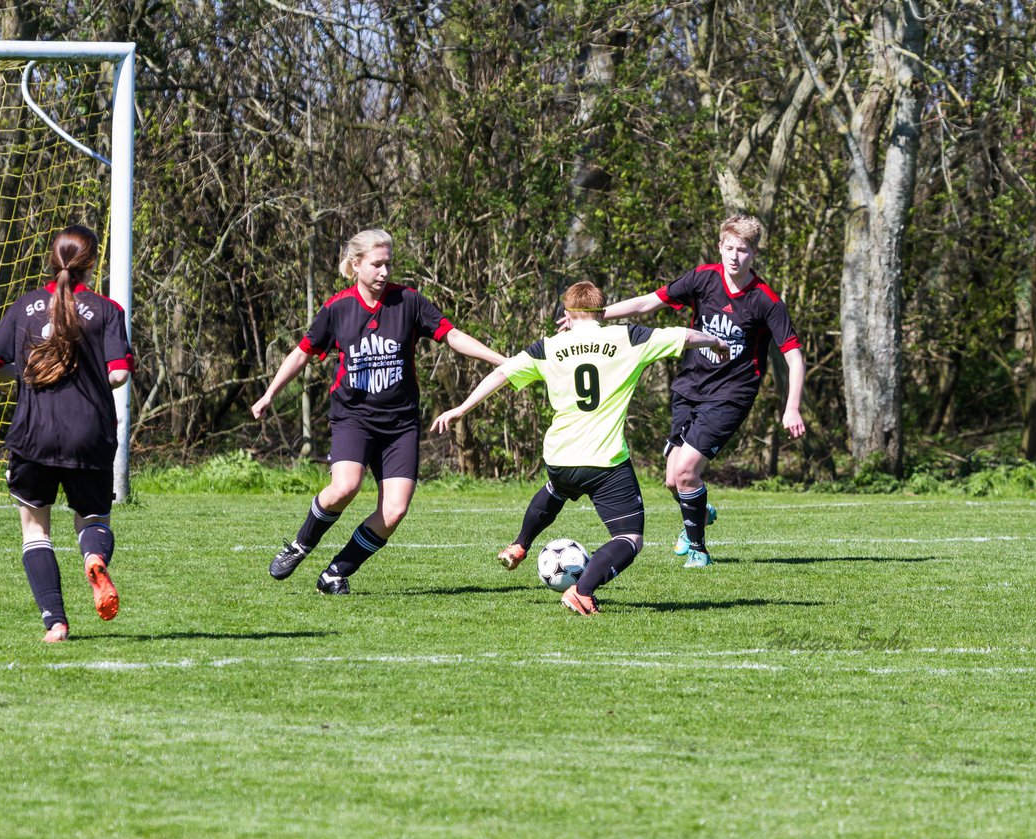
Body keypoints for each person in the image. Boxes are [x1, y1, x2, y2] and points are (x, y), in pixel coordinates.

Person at [431, 281, 730, 615]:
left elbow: (500, 374)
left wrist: (460, 409)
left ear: (567, 315)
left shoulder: (548, 347)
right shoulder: (628, 337)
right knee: (629, 538)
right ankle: (582, 591)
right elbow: (685, 335)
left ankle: (520, 544)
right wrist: (716, 342)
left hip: (560, 457)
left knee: (557, 488)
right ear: (602, 313)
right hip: (604, 461)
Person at [252, 228, 504, 594]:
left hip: (400, 424)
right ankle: (300, 545)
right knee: (344, 488)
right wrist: (269, 394)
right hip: (353, 418)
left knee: (395, 511)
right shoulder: (338, 308)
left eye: (389, 263)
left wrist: (500, 360)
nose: (385, 271)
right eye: (377, 264)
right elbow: (303, 352)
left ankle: (335, 572)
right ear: (356, 265)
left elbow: (451, 335)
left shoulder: (409, 301)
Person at [587, 213, 806, 568]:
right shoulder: (703, 279)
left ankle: (698, 549)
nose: (735, 256)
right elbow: (646, 303)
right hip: (690, 387)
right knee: (673, 479)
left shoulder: (765, 300)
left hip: (732, 394)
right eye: (730, 248)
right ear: (720, 246)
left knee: (687, 471)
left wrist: (792, 406)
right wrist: (592, 316)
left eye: (744, 250)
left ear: (754, 254)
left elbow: (794, 357)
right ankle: (700, 512)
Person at [0, 225, 133, 643]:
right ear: (91, 264)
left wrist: (29, 375)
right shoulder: (106, 310)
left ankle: (56, 624)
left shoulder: (26, 305)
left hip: (34, 434)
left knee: (35, 531)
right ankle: (94, 557)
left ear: (53, 259)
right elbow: (119, 373)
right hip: (89, 434)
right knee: (94, 519)